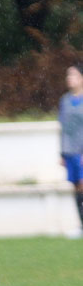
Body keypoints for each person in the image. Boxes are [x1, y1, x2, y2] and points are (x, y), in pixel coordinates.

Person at [58, 64, 83, 237]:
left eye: (73, 75)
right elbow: (63, 128)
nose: (69, 78)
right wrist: (62, 153)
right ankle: (81, 225)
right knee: (76, 188)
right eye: (68, 75)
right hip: (70, 151)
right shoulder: (65, 100)